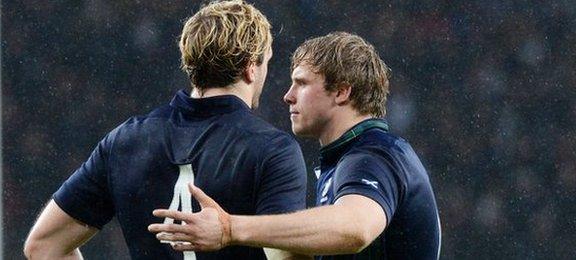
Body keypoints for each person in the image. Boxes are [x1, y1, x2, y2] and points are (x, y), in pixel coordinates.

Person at [23, 1, 309, 259]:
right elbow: (285, 255)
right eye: (266, 62)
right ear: (251, 68)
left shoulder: (126, 141)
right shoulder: (273, 149)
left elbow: (43, 245)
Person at [149, 32, 441, 259]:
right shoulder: (350, 158)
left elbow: (355, 228)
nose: (288, 96)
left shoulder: (373, 154)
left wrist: (230, 229)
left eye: (301, 83)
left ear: (341, 91)